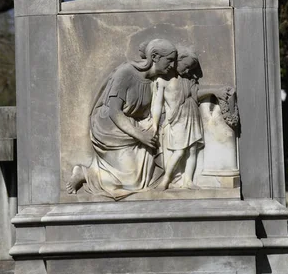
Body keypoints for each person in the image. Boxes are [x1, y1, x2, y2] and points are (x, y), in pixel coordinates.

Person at [66, 38, 177, 199]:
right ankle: (86, 173)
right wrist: (141, 135)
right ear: (155, 57)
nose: (172, 65)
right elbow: (114, 111)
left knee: (142, 176)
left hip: (130, 125)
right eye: (169, 60)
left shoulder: (156, 82)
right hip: (109, 125)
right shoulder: (126, 73)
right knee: (130, 182)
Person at [151, 47, 204, 190]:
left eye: (189, 69)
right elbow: (157, 103)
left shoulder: (189, 80)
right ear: (177, 60)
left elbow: (196, 95)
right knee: (179, 151)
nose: (187, 71)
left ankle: (188, 181)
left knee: (192, 150)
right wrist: (155, 124)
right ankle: (166, 180)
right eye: (186, 67)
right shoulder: (163, 80)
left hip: (192, 115)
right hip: (176, 119)